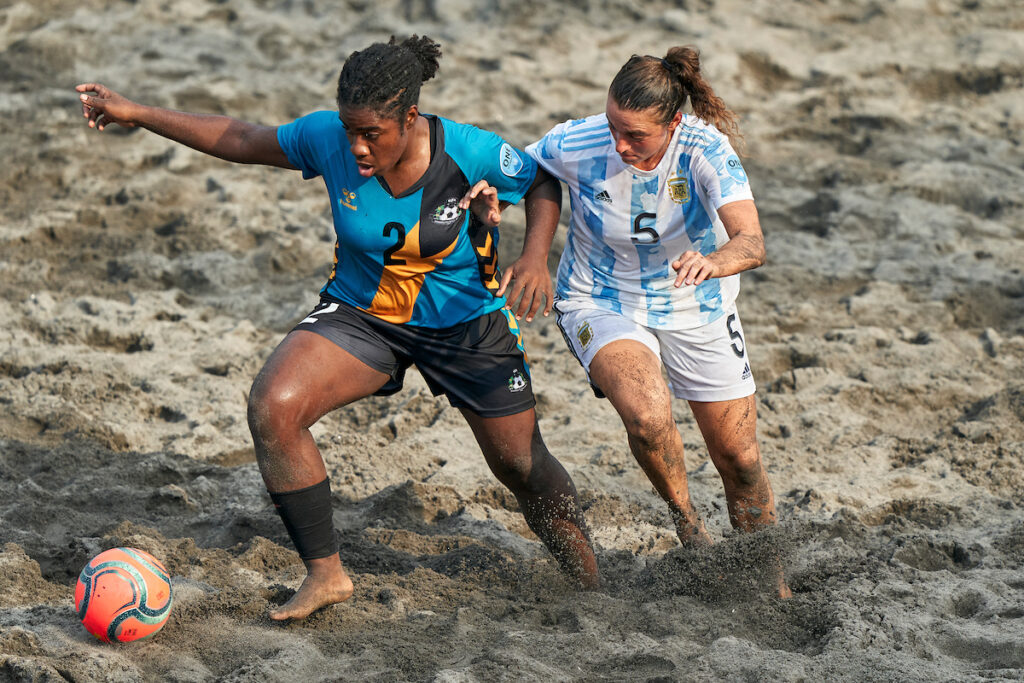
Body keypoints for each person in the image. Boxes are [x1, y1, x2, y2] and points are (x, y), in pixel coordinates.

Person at [75, 35, 599, 621]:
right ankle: (326, 576)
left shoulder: (469, 149)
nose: (356, 146)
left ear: (409, 118)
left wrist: (532, 257)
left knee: (520, 466)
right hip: (362, 315)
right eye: (350, 130)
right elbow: (242, 139)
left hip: (465, 323)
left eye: (371, 133)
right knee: (274, 404)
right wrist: (137, 113)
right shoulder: (330, 139)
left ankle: (591, 583)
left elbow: (542, 184)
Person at [506, 46, 788, 595]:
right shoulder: (577, 139)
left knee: (740, 458)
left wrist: (713, 261)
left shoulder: (706, 149)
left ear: (673, 123)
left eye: (635, 135)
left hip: (696, 302)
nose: (618, 143)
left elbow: (752, 241)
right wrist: (534, 252)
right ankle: (688, 524)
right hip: (600, 299)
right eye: (613, 125)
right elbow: (530, 171)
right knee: (648, 413)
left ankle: (771, 580)